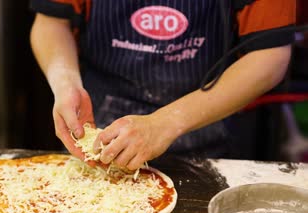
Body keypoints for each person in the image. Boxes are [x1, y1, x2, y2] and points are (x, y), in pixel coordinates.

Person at [30, 0, 295, 171]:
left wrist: (164, 123)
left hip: (211, 131)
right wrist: (66, 82)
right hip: (98, 134)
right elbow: (51, 23)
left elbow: (269, 57)